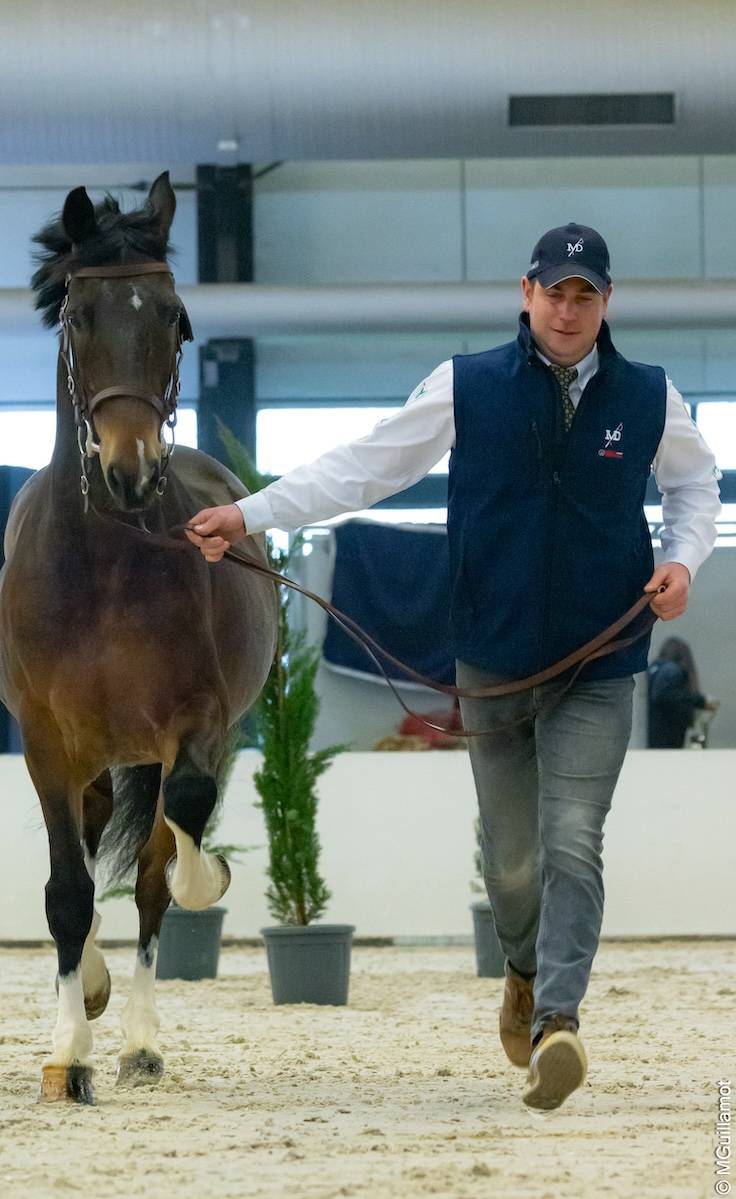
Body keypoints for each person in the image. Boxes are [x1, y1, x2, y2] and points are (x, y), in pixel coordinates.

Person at [185, 222, 721, 1111]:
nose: (568, 309)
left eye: (585, 295)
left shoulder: (648, 394)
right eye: (555, 292)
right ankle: (523, 972)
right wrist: (252, 513)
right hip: (493, 658)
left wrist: (684, 558)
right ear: (526, 292)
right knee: (511, 862)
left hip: (603, 657)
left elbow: (696, 486)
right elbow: (369, 466)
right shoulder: (465, 385)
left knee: (572, 840)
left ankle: (558, 1021)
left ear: (606, 303)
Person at [648, 637, 718, 748]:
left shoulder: (651, 669)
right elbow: (665, 695)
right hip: (666, 738)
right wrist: (701, 701)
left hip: (648, 738)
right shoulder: (672, 671)